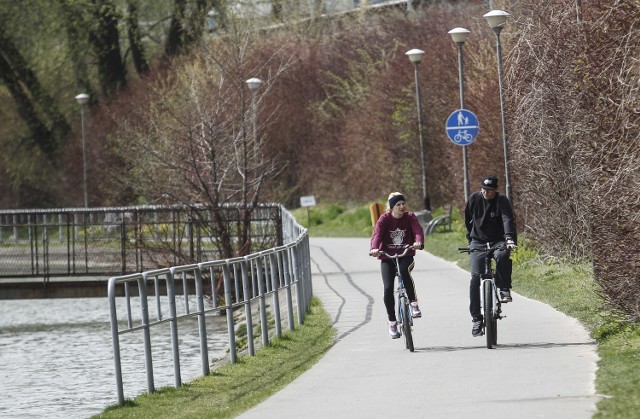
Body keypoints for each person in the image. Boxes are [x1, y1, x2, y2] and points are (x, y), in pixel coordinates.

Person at [464, 175, 517, 337]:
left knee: (502, 256)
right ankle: (476, 319)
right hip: (478, 242)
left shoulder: (502, 201)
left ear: (496, 190)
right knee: (475, 278)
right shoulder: (474, 198)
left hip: (498, 240)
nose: (486, 193)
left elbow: (508, 218)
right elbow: (468, 218)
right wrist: (470, 237)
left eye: (489, 190)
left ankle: (504, 288)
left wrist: (509, 238)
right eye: (484, 189)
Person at [370, 192, 424, 339]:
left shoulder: (410, 217)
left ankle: (413, 303)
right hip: (387, 257)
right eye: (398, 205)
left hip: (406, 255)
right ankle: (392, 321)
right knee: (388, 288)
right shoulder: (384, 219)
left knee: (403, 271)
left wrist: (418, 242)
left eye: (403, 204)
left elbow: (417, 230)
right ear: (392, 207)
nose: (402, 207)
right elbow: (377, 235)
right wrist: (374, 248)